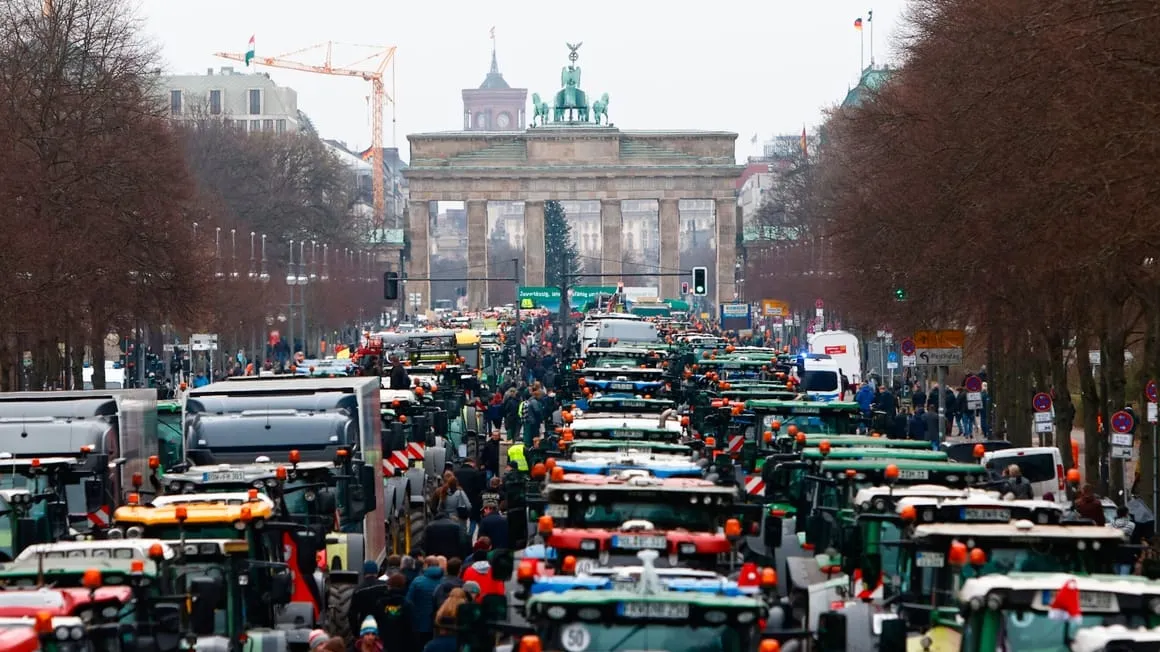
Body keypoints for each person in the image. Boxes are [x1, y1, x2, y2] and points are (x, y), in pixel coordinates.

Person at [405, 556, 445, 648]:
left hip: (420, 624)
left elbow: (408, 601)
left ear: (426, 565)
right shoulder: (444, 581)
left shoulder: (417, 581)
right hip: (439, 624)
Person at [1111, 506, 1137, 575]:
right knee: (1124, 576)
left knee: (1116, 576)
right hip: (1127, 551)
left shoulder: (1111, 524)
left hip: (1114, 550)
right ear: (1127, 514)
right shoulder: (1131, 524)